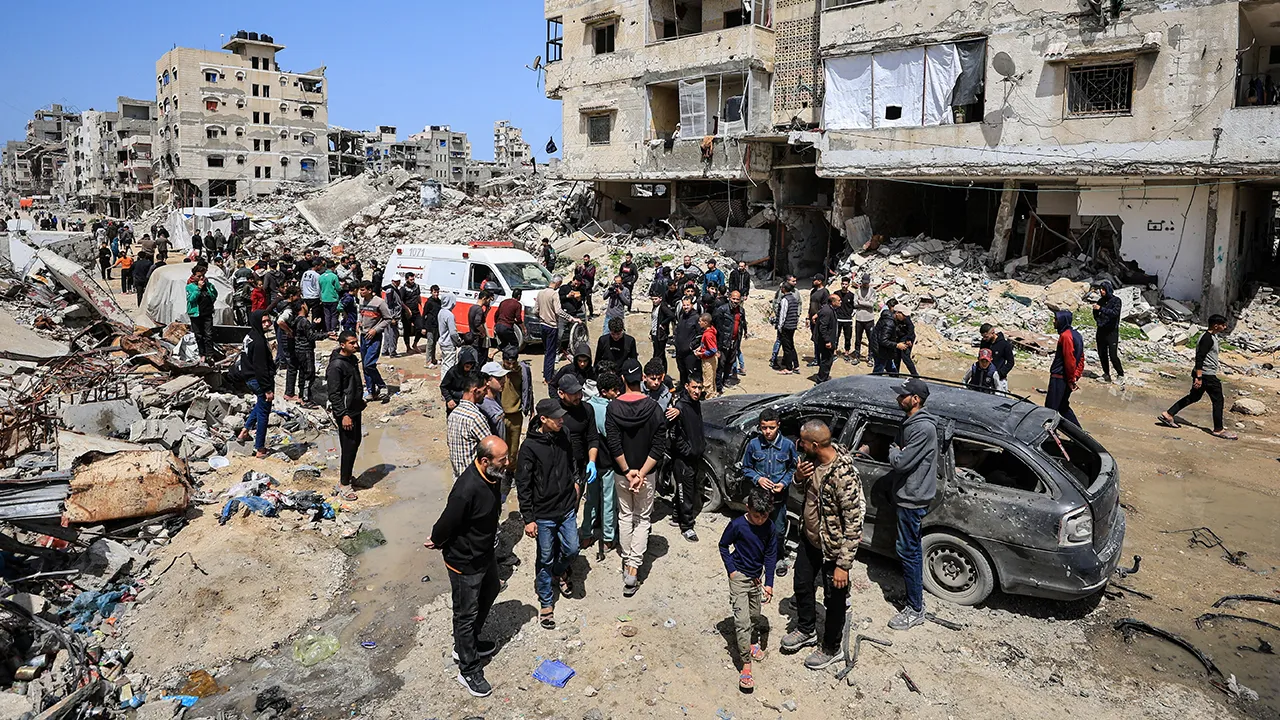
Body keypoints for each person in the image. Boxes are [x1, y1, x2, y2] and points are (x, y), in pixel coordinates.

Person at [426, 435, 509, 698]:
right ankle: (468, 667)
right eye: (502, 459)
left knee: (492, 589)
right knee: (466, 613)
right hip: (465, 560)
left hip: (485, 553)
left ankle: (468, 643)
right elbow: (447, 521)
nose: (507, 463)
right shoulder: (466, 489)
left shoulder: (493, 476)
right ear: (485, 461)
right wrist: (437, 539)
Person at [780, 419, 864, 669]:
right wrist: (797, 477)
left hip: (833, 550)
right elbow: (803, 491)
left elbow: (854, 523)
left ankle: (831, 647)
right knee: (802, 584)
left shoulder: (843, 475)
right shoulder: (812, 462)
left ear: (815, 445)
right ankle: (806, 629)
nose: (798, 444)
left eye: (802, 442)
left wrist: (843, 565)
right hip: (809, 538)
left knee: (834, 600)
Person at [606, 359, 669, 596]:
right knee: (643, 519)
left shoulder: (613, 408)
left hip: (622, 474)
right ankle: (632, 569)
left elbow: (613, 442)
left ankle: (626, 559)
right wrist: (641, 474)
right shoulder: (654, 408)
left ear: (622, 379)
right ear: (641, 378)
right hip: (646, 475)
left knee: (625, 515)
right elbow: (658, 446)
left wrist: (627, 471)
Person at [516, 398, 580, 629]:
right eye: (556, 417)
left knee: (572, 548)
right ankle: (546, 602)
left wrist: (576, 482)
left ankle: (559, 572)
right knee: (544, 557)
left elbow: (571, 462)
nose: (561, 420)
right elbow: (523, 484)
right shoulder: (529, 447)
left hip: (566, 507)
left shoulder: (564, 435)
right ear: (543, 419)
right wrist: (528, 518)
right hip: (543, 513)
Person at [886, 377, 938, 631]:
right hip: (908, 494)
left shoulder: (922, 429)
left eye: (903, 395)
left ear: (915, 399)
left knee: (909, 551)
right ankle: (910, 598)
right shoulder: (912, 422)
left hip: (912, 497)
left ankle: (915, 608)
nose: (898, 398)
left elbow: (900, 462)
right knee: (907, 549)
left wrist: (894, 449)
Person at [720, 488, 778, 692]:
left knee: (754, 615)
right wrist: (732, 571)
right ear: (748, 508)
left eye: (765, 515)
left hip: (757, 579)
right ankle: (746, 664)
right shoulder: (737, 525)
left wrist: (769, 582)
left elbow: (771, 555)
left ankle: (752, 641)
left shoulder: (769, 527)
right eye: (756, 515)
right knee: (742, 621)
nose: (760, 520)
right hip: (739, 578)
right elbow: (723, 546)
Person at [1159, 314, 1236, 439]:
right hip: (1207, 375)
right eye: (1223, 325)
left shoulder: (1211, 337)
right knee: (1218, 401)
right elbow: (1199, 357)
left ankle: (1169, 414)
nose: (1225, 327)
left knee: (1193, 397)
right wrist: (1199, 377)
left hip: (1203, 374)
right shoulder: (1207, 338)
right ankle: (1218, 429)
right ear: (1216, 326)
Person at [741, 408, 798, 568]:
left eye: (771, 428)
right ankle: (757, 556)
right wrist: (758, 479)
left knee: (778, 531)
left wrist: (784, 483)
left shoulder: (787, 445)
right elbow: (746, 468)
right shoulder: (753, 445)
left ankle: (778, 558)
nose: (767, 432)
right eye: (764, 427)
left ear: (778, 425)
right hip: (758, 498)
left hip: (778, 500)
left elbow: (793, 468)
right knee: (757, 527)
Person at [581, 369, 621, 552]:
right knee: (608, 501)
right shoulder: (609, 409)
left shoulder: (587, 406)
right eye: (614, 390)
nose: (617, 393)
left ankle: (587, 534)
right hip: (607, 463)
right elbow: (611, 437)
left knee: (590, 500)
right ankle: (607, 538)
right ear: (604, 392)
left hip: (591, 463)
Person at [327, 331, 366, 501]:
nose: (356, 345)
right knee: (349, 445)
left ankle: (347, 476)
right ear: (342, 345)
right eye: (352, 343)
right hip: (346, 412)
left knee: (355, 442)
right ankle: (344, 485)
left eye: (356, 342)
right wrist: (343, 414)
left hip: (354, 408)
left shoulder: (351, 360)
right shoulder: (336, 366)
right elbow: (334, 394)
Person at [235, 311, 277, 458]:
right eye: (264, 321)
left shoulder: (250, 336)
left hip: (250, 378)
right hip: (259, 380)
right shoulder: (258, 341)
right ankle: (260, 448)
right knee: (264, 412)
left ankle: (245, 431)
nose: (267, 324)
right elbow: (261, 367)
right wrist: (267, 389)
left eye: (268, 321)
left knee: (260, 405)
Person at [669, 374, 705, 542]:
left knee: (684, 490)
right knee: (686, 493)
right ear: (686, 386)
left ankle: (677, 516)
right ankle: (687, 526)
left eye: (699, 388)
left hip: (693, 457)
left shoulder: (695, 404)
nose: (697, 391)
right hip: (683, 460)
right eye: (694, 387)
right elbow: (674, 436)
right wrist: (688, 451)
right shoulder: (680, 407)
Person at [448, 373, 493, 478]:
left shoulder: (453, 414)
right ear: (475, 390)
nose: (486, 393)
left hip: (458, 477)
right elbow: (491, 448)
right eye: (484, 389)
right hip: (474, 478)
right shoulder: (475, 418)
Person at [358, 281, 395, 402]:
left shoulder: (379, 302)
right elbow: (361, 313)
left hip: (374, 337)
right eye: (360, 290)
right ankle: (371, 391)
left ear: (369, 290)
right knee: (365, 365)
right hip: (363, 336)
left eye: (363, 290)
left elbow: (388, 319)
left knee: (369, 363)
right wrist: (359, 322)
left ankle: (382, 386)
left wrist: (375, 330)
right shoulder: (362, 301)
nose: (361, 292)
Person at [499, 347, 534, 475]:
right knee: (499, 448)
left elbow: (528, 390)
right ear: (503, 361)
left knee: (513, 449)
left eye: (514, 363)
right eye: (508, 363)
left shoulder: (523, 371)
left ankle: (510, 472)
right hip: (500, 416)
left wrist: (531, 410)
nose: (511, 366)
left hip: (515, 416)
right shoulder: (497, 371)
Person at [1046, 310, 1084, 428]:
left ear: (1062, 321)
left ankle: (1049, 436)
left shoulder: (1065, 336)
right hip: (1067, 378)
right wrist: (1076, 376)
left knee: (1050, 410)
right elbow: (1081, 358)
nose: (1054, 321)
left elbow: (1070, 360)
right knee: (1063, 406)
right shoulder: (1076, 335)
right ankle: (1080, 434)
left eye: (1056, 319)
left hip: (1059, 378)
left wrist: (1071, 379)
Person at [536, 276, 567, 382]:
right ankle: (548, 378)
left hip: (542, 325)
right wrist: (571, 318)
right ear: (558, 283)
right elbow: (558, 311)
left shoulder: (540, 293)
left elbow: (536, 310)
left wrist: (542, 317)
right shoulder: (554, 294)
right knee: (551, 352)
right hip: (552, 326)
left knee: (546, 350)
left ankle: (547, 372)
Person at [1092, 280, 1124, 383]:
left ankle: (1120, 375)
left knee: (1113, 355)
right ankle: (1106, 374)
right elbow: (1095, 313)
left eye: (1103, 289)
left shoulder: (1116, 301)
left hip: (1112, 332)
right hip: (1101, 330)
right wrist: (1099, 320)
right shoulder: (1100, 301)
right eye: (1101, 289)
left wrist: (1101, 309)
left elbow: (1114, 313)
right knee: (1102, 353)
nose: (1101, 291)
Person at [186, 270, 218, 363]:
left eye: (202, 276)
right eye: (199, 276)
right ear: (194, 276)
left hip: (207, 313)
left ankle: (210, 355)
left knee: (208, 334)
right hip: (196, 314)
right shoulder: (190, 287)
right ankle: (202, 354)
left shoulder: (208, 286)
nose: (201, 278)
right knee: (199, 335)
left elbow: (214, 295)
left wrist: (210, 288)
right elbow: (191, 299)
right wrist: (198, 288)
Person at [441, 347, 481, 413]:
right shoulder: (453, 372)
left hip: (468, 401)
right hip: (454, 400)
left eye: (471, 365)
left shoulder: (473, 372)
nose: (469, 368)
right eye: (467, 366)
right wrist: (449, 399)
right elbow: (443, 386)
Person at [979, 323, 1015, 392]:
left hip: (1000, 379)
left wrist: (1000, 374)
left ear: (993, 332)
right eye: (983, 336)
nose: (984, 339)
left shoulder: (1005, 344)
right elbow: (980, 357)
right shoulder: (984, 343)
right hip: (985, 377)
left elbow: (1011, 362)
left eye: (986, 337)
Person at [674, 296, 701, 386]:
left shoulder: (696, 317)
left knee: (691, 373)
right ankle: (682, 388)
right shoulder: (682, 316)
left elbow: (700, 335)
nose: (685, 307)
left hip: (689, 353)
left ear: (692, 305)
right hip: (679, 351)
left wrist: (691, 346)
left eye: (688, 305)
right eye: (684, 305)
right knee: (682, 371)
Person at [775, 282, 800, 375]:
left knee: (787, 348)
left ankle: (789, 368)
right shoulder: (793, 298)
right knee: (791, 346)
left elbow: (783, 314)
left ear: (784, 289)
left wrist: (779, 326)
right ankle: (796, 365)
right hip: (792, 325)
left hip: (786, 326)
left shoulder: (785, 300)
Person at [478, 362, 509, 437]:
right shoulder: (482, 405)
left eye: (504, 377)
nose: (504, 381)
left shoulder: (497, 396)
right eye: (499, 378)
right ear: (487, 381)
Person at [815, 292, 839, 383]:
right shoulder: (827, 311)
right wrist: (827, 341)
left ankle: (823, 377)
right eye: (838, 301)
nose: (840, 302)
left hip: (829, 339)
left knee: (827, 360)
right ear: (833, 302)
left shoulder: (829, 309)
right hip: (826, 341)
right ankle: (821, 380)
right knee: (826, 360)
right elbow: (823, 327)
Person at [872, 300, 901, 374]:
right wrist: (897, 345)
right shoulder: (889, 322)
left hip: (884, 350)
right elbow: (883, 340)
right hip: (881, 350)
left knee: (891, 369)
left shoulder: (888, 318)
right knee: (878, 371)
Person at [437, 293, 464, 374]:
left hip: (443, 342)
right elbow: (453, 333)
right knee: (450, 365)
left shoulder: (441, 312)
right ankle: (447, 383)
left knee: (445, 364)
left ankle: (443, 382)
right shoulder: (449, 315)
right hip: (449, 343)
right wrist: (458, 341)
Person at [695, 313, 719, 399]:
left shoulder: (707, 335)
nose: (698, 323)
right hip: (712, 359)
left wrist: (701, 353)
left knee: (707, 381)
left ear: (705, 323)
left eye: (700, 321)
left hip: (708, 360)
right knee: (712, 379)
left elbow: (713, 350)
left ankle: (709, 398)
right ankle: (714, 395)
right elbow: (706, 344)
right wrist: (700, 347)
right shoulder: (711, 330)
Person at [807, 275, 830, 367]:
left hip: (820, 319)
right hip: (813, 319)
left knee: (820, 339)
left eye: (815, 280)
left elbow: (825, 306)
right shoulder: (813, 291)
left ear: (820, 281)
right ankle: (817, 358)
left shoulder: (825, 292)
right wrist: (808, 317)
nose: (813, 282)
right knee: (815, 339)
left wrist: (816, 315)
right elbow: (811, 305)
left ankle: (822, 358)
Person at [649, 293, 675, 369]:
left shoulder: (663, 306)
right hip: (655, 333)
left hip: (661, 334)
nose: (654, 301)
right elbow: (654, 321)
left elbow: (671, 316)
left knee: (659, 354)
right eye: (652, 299)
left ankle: (658, 370)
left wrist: (663, 323)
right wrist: (651, 332)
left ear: (660, 299)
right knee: (659, 353)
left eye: (655, 299)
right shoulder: (655, 307)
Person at [833, 277, 856, 359]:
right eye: (843, 284)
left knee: (848, 337)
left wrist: (851, 315)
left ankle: (846, 352)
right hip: (837, 319)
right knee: (836, 335)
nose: (844, 286)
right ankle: (834, 352)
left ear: (849, 285)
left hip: (848, 320)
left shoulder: (852, 295)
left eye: (846, 284)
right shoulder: (836, 294)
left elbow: (854, 307)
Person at [400, 272, 422, 353]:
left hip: (416, 311)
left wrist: (421, 305)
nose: (412, 281)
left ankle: (415, 344)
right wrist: (407, 309)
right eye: (411, 279)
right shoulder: (403, 289)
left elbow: (418, 296)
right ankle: (408, 347)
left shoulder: (417, 287)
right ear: (406, 279)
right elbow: (401, 301)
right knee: (407, 330)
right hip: (406, 313)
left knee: (420, 327)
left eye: (413, 279)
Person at [467, 291, 493, 362]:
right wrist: (483, 332)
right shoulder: (479, 309)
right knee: (481, 360)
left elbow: (481, 319)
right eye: (488, 300)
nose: (489, 302)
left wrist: (487, 311)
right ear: (484, 298)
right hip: (478, 339)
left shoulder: (472, 308)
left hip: (473, 338)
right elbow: (477, 323)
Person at [383, 276, 404, 358]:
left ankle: (386, 350)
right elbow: (389, 305)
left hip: (392, 316)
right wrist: (392, 318)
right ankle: (392, 351)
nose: (397, 283)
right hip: (392, 316)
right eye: (396, 281)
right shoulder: (391, 291)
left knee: (389, 334)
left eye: (398, 281)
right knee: (393, 334)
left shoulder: (394, 289)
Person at [423, 285, 443, 368]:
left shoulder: (439, 301)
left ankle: (433, 359)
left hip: (436, 325)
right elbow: (424, 314)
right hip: (430, 326)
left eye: (437, 292)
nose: (436, 294)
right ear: (431, 292)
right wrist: (423, 327)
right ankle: (428, 361)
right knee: (430, 343)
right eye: (435, 292)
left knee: (434, 343)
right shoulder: (429, 302)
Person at [318, 261, 341, 332]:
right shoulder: (334, 276)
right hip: (333, 298)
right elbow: (338, 288)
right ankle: (333, 329)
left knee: (327, 315)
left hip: (324, 298)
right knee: (334, 315)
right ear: (333, 267)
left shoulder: (321, 276)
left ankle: (328, 330)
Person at [897, 306, 919, 377]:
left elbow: (911, 328)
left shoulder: (906, 318)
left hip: (908, 337)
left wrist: (908, 339)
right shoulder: (894, 318)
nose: (904, 316)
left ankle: (915, 375)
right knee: (896, 357)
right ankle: (895, 374)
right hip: (899, 338)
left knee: (905, 357)